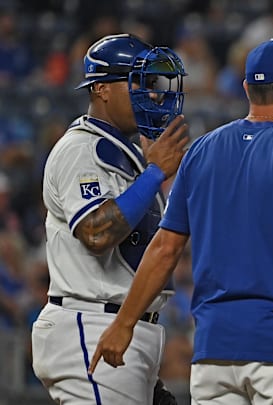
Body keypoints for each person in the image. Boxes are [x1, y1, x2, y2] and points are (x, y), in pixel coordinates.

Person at [89, 39, 273, 404]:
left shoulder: (201, 150)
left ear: (248, 88)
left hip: (213, 350)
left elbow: (165, 247)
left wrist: (124, 323)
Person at [31, 33, 188, 404]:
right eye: (136, 83)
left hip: (119, 327)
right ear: (101, 88)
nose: (149, 94)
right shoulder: (80, 149)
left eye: (151, 83)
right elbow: (96, 232)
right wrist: (154, 174)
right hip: (92, 323)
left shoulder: (126, 152)